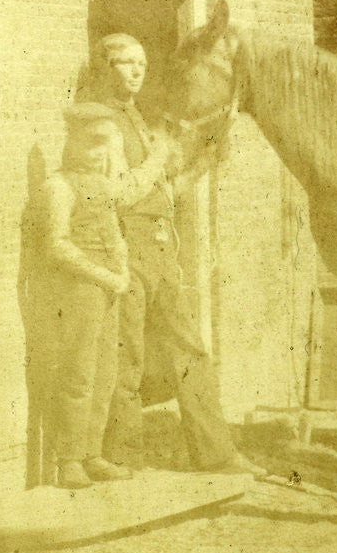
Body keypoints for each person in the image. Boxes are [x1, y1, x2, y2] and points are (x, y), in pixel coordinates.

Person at [87, 33, 263, 476]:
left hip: (161, 251)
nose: (137, 70)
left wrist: (207, 159)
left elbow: (165, 190)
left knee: (190, 350)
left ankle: (217, 454)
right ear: (104, 68)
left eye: (141, 63)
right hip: (125, 249)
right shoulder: (100, 124)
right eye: (126, 63)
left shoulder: (138, 120)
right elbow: (120, 194)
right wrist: (160, 157)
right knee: (127, 359)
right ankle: (123, 460)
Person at [41, 102, 164, 490]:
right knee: (78, 373)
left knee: (105, 373)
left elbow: (116, 226)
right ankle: (69, 461)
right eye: (92, 143)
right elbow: (56, 247)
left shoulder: (103, 185)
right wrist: (105, 276)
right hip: (79, 288)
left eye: (105, 146)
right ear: (72, 141)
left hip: (109, 287)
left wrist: (122, 272)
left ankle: (92, 453)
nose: (99, 153)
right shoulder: (57, 187)